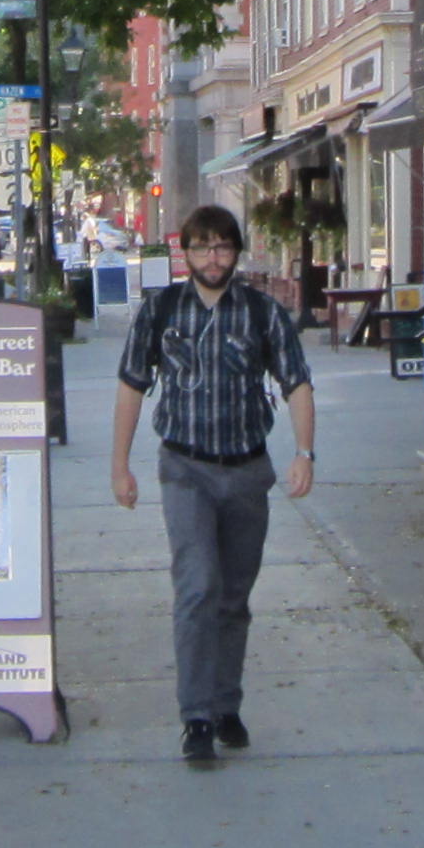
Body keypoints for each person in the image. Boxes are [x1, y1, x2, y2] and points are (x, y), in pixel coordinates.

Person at [108, 203, 316, 766]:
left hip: (247, 470)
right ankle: (196, 716)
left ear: (236, 253)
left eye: (223, 247)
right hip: (185, 469)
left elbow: (296, 383)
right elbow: (132, 385)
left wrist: (303, 453)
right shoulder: (161, 311)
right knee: (197, 587)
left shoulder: (261, 312)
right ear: (186, 254)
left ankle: (227, 705)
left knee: (233, 597)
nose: (212, 258)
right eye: (202, 247)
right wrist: (119, 466)